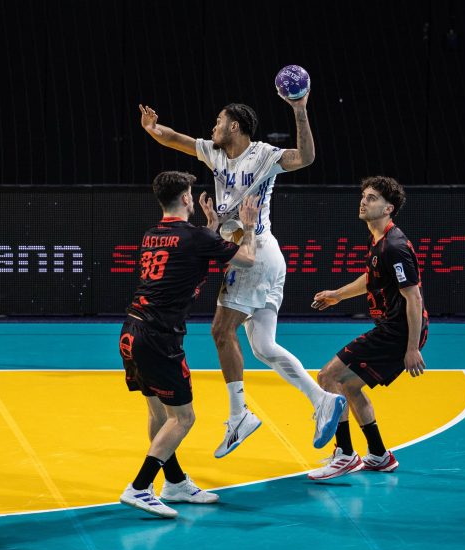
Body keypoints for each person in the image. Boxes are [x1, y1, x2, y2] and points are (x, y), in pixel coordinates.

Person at [139, 90, 346, 459]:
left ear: (234, 126)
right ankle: (322, 400)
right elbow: (175, 139)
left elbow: (306, 157)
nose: (213, 127)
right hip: (260, 253)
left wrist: (299, 109)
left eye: (218, 121)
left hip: (255, 252)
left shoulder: (264, 155)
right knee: (264, 347)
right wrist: (153, 129)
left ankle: (239, 416)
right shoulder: (215, 153)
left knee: (221, 331)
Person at [119, 171, 259, 518]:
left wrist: (211, 227)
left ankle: (175, 482)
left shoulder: (152, 234)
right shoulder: (196, 238)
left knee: (159, 414)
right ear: (185, 199)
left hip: (132, 332)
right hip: (160, 338)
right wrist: (249, 226)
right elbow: (247, 259)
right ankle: (140, 487)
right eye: (191, 193)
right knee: (183, 418)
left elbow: (187, 249)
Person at [307, 176, 428, 480]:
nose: (363, 201)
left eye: (372, 198)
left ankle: (345, 455)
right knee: (348, 386)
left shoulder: (395, 247)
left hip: (398, 332)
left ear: (389, 208)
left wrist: (411, 348)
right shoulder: (379, 241)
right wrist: (337, 295)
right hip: (392, 328)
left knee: (328, 376)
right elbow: (371, 278)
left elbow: (413, 297)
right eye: (363, 196)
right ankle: (379, 455)